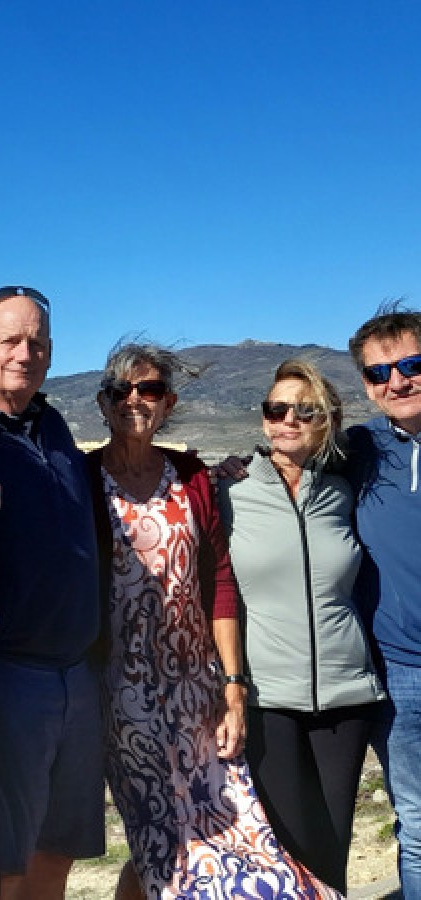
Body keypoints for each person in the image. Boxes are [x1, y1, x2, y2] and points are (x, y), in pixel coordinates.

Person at [86, 341, 341, 899]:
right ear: (103, 405)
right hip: (120, 694)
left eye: (149, 390)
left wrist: (231, 686)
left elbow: (220, 582)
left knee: (239, 829)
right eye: (120, 391)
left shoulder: (192, 476)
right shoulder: (81, 479)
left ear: (168, 403)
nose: (135, 400)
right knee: (160, 839)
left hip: (197, 688)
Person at [0, 285, 104, 900]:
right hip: (9, 676)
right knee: (5, 861)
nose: (23, 352)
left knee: (59, 849)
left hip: (77, 674)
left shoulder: (53, 423)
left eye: (36, 341)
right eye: (9, 339)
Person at [217, 358, 384, 894]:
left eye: (305, 410)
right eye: (276, 408)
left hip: (348, 695)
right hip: (269, 700)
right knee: (289, 854)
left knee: (334, 847)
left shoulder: (345, 491)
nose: (288, 419)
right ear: (264, 418)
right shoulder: (230, 494)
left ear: (327, 420)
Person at [347, 302, 421, 898]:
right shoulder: (357, 450)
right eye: (379, 372)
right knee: (420, 828)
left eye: (412, 363)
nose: (397, 381)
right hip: (400, 672)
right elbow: (292, 462)